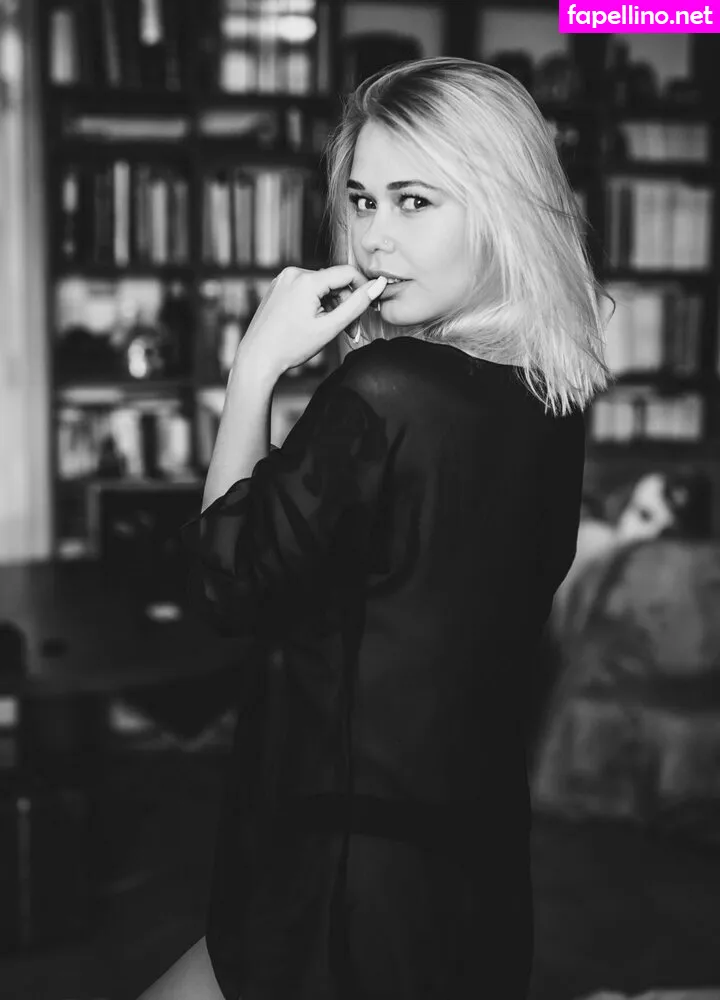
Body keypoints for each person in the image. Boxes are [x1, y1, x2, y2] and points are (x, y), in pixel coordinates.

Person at [136, 55, 611, 1000]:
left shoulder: (386, 390)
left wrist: (254, 369)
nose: (373, 237)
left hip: (342, 879)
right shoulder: (547, 393)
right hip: (466, 866)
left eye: (414, 201)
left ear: (501, 209)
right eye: (360, 201)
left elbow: (227, 580)